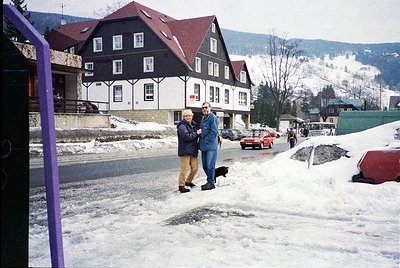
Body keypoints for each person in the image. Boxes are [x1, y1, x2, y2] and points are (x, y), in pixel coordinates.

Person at [176, 109, 200, 193]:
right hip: (185, 150)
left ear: (192, 116)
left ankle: (188, 181)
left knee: (195, 168)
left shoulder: (193, 125)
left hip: (193, 150)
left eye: (189, 115)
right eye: (186, 116)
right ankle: (181, 185)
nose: (188, 117)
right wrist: (197, 133)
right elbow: (187, 137)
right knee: (184, 168)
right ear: (184, 117)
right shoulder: (182, 126)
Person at [198, 102, 219, 191]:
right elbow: (202, 131)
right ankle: (211, 180)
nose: (204, 109)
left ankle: (211, 183)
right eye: (203, 108)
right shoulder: (204, 118)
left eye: (206, 107)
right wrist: (199, 143)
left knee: (210, 165)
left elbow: (214, 132)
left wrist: (206, 140)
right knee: (205, 166)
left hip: (211, 146)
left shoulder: (212, 118)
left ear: (210, 108)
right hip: (204, 147)